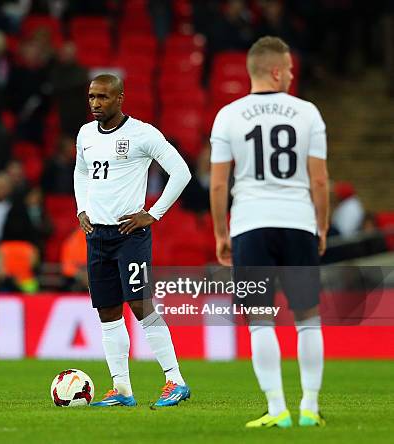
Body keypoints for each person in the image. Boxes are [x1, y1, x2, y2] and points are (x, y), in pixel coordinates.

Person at [210, 36, 329, 428]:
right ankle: (309, 407)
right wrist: (321, 227)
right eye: (290, 69)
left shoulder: (228, 115)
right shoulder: (308, 113)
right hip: (298, 224)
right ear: (276, 71)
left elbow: (217, 185)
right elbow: (320, 181)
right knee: (308, 318)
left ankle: (277, 409)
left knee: (260, 319)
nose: (293, 75)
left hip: (249, 227)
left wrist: (220, 234)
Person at [74, 74, 192, 407]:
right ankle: (122, 388)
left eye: (103, 97)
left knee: (141, 306)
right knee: (108, 312)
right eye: (91, 97)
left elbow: (181, 172)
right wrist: (82, 207)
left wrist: (154, 214)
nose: (96, 103)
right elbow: (81, 172)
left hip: (130, 234)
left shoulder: (142, 134)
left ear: (120, 98)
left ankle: (175, 380)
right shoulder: (85, 134)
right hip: (97, 235)